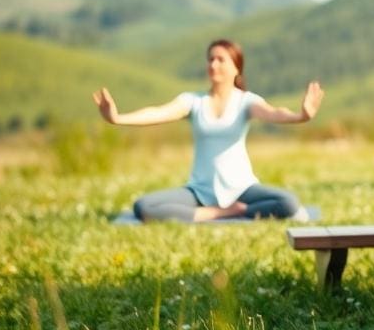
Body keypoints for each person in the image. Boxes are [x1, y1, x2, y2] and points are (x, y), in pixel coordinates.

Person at [93, 38, 324, 223]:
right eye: (210, 59)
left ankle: (233, 209)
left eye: (221, 60)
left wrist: (301, 116)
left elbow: (274, 113)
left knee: (289, 203)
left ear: (236, 68)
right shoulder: (193, 101)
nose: (213, 65)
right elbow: (158, 112)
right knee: (143, 207)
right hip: (199, 191)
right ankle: (222, 213)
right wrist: (117, 118)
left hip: (242, 189)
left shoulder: (246, 101)